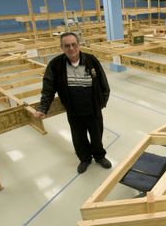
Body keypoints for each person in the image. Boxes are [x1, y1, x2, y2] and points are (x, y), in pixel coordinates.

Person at [34, 32, 112, 174]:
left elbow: (103, 83)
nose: (71, 48)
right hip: (74, 111)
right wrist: (43, 108)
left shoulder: (91, 60)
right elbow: (48, 88)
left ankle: (100, 156)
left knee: (96, 136)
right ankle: (85, 159)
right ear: (62, 47)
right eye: (67, 45)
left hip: (93, 110)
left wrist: (102, 102)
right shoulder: (55, 65)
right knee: (79, 138)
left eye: (73, 44)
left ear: (79, 45)